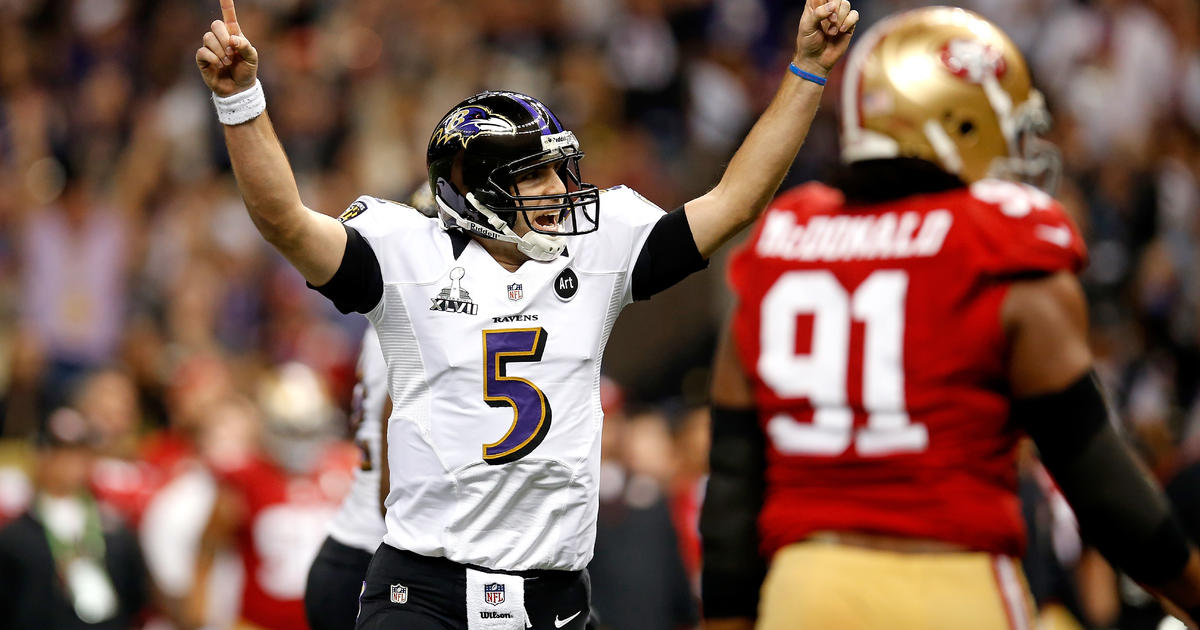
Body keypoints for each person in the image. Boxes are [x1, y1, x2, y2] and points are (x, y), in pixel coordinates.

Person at [194, 0, 859, 628]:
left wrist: (807, 71)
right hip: (424, 589)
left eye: (561, 171)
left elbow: (735, 200)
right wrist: (239, 99)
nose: (561, 191)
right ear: (477, 190)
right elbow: (283, 221)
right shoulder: (404, 256)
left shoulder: (597, 247)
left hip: (553, 592)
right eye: (536, 176)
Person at [700, 7, 1200, 630]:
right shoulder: (1002, 247)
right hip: (951, 583)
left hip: (805, 589)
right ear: (956, 124)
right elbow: (1100, 487)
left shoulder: (784, 248)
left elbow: (731, 498)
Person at [305, 327, 389, 630]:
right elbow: (392, 495)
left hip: (350, 552)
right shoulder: (422, 315)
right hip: (373, 556)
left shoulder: (384, 318)